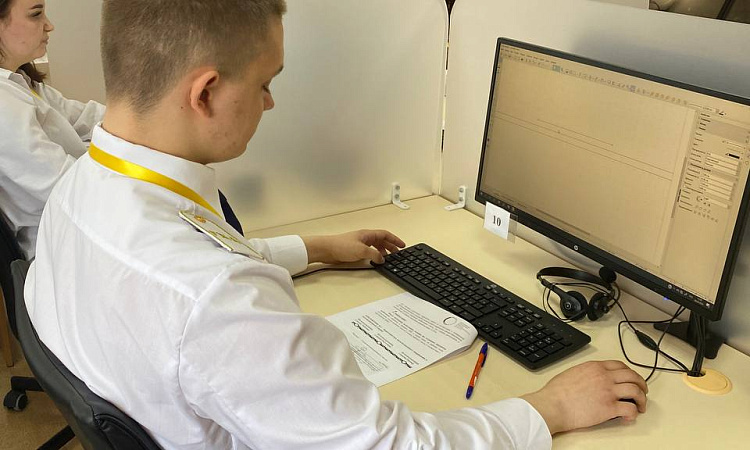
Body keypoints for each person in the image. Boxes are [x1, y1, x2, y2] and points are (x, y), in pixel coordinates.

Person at [25, 1, 648, 449]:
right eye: (265, 83)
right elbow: (384, 445)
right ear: (205, 92)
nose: (270, 102)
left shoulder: (81, 187)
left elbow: (191, 261)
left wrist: (314, 248)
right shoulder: (219, 300)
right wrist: (547, 409)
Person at [0, 0, 105, 259]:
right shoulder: (3, 104)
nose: (49, 25)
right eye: (36, 14)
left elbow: (84, 117)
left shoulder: (21, 83)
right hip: (61, 246)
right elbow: (65, 185)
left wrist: (146, 119)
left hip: (80, 223)